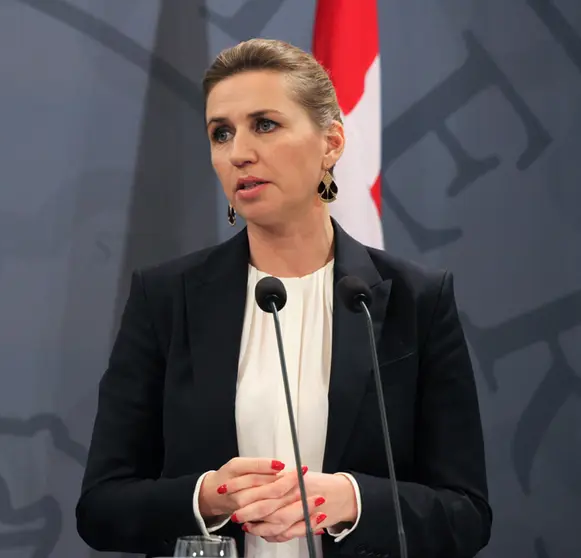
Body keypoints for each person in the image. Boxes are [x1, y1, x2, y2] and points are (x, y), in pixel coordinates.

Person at [75, 38, 492, 558]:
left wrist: (352, 501)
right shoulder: (165, 299)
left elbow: (466, 515)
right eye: (220, 133)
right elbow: (100, 507)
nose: (238, 152)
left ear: (331, 143)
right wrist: (205, 497)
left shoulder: (415, 301)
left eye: (265, 124)